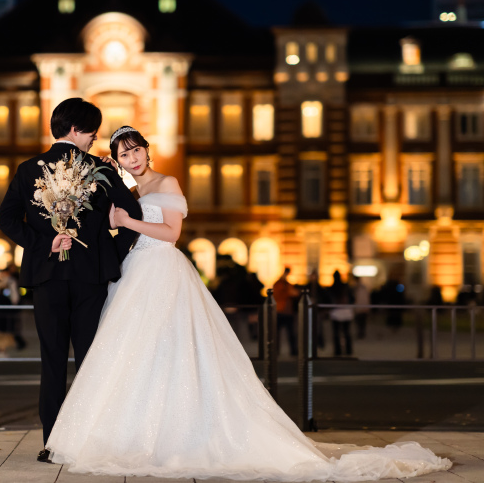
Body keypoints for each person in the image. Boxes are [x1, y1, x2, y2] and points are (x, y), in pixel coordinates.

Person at [44, 126, 451, 481]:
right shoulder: (133, 191)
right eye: (123, 154)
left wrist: (127, 221)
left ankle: (180, 434)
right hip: (136, 272)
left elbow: (171, 233)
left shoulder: (167, 183)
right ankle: (138, 432)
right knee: (137, 353)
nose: (132, 158)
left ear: (147, 150)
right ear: (117, 161)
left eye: (136, 150)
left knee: (173, 349)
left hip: (163, 270)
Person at [0, 98, 141, 462]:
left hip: (46, 277)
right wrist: (109, 254)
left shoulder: (29, 169)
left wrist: (44, 243)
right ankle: (91, 442)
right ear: (76, 129)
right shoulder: (100, 168)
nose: (95, 138)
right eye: (92, 131)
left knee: (52, 361)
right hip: (91, 277)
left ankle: (52, 444)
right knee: (91, 361)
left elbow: (7, 219)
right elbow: (133, 213)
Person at [272, 267, 300, 357]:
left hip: (288, 311)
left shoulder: (287, 284)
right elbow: (278, 295)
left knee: (291, 333)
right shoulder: (279, 284)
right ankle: (276, 351)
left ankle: (293, 350)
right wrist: (289, 292)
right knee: (277, 333)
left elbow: (295, 293)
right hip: (280, 311)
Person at [328, 269, 354, 357]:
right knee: (346, 332)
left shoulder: (332, 287)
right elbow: (352, 298)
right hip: (346, 311)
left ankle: (338, 351)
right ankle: (348, 350)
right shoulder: (345, 286)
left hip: (335, 311)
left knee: (336, 332)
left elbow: (329, 299)